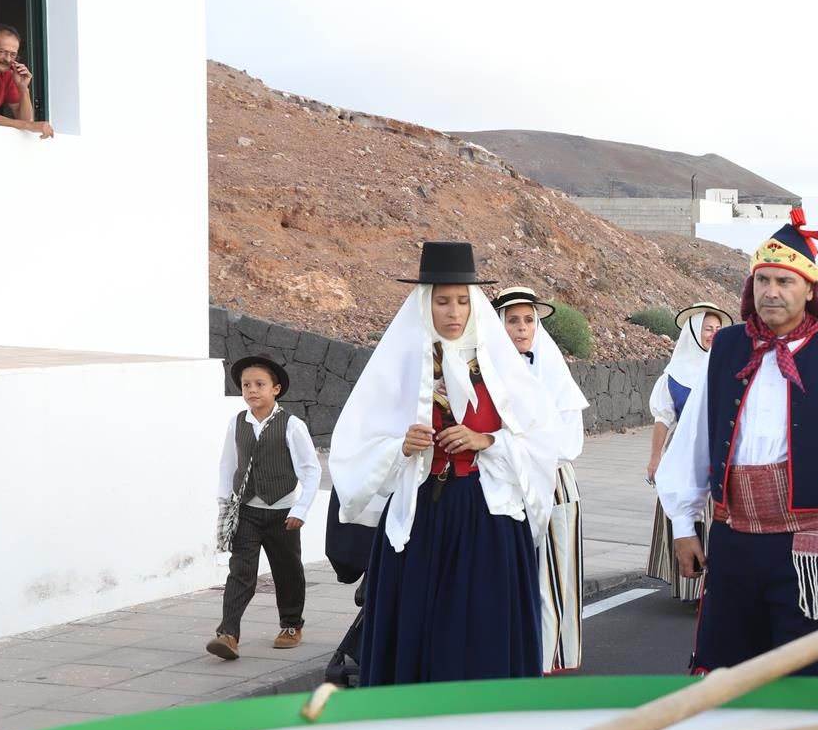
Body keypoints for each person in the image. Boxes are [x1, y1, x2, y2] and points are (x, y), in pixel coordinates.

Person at [656, 210, 818, 675]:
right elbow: (694, 437)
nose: (771, 291)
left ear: (810, 290)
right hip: (733, 537)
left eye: (785, 281)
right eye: (763, 280)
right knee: (726, 673)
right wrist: (684, 526)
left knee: (810, 676)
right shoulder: (726, 348)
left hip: (813, 542)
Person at [332, 242, 562, 684]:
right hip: (423, 517)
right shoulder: (401, 366)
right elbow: (356, 442)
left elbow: (542, 438)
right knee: (422, 624)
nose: (453, 312)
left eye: (461, 300)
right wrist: (400, 446)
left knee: (482, 625)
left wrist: (487, 440)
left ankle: (485, 713)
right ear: (426, 304)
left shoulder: (498, 365)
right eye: (442, 301)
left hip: (486, 517)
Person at [493, 284, 592, 671]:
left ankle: (546, 656)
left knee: (551, 572)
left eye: (528, 320)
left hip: (552, 483)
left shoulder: (553, 373)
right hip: (503, 481)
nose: (521, 328)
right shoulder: (485, 372)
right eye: (513, 320)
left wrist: (520, 447)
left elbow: (567, 441)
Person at [209, 356, 323, 659]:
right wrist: (225, 504)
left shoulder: (292, 425)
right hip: (246, 510)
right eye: (246, 385)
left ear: (276, 389)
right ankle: (228, 634)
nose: (252, 390)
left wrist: (300, 509)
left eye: (259, 384)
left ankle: (291, 625)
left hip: (282, 514)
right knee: (241, 571)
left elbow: (311, 470)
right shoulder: (237, 423)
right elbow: (227, 466)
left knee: (287, 571)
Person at [646, 302, 732, 603]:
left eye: (717, 329)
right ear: (694, 332)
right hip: (683, 451)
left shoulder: (725, 368)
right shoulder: (673, 376)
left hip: (717, 450)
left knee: (714, 520)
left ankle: (713, 588)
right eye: (707, 329)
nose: (712, 334)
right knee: (687, 516)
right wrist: (656, 458)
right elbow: (663, 419)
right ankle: (693, 588)